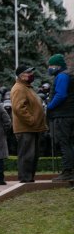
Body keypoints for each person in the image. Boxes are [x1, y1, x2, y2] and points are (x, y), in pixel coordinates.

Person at [10, 65, 47, 183]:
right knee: (27, 155)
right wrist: (32, 120)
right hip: (26, 128)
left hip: (32, 128)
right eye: (28, 72)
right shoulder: (19, 88)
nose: (31, 74)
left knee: (33, 155)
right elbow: (18, 108)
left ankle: (29, 178)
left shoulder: (27, 87)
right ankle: (25, 179)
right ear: (21, 75)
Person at [46, 54, 74, 182]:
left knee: (64, 143)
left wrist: (50, 106)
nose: (50, 68)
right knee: (69, 143)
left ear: (57, 66)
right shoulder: (68, 75)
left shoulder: (62, 76)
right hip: (69, 113)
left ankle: (68, 171)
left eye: (51, 66)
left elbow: (61, 95)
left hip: (63, 115)